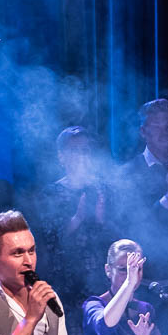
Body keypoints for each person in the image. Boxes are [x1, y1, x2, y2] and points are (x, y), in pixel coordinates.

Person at [36, 126, 112, 300]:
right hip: (66, 280)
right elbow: (49, 239)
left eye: (85, 150)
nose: (81, 156)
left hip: (102, 277)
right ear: (61, 156)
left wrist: (101, 218)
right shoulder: (50, 193)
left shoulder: (104, 188)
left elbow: (119, 235)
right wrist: (77, 219)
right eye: (74, 150)